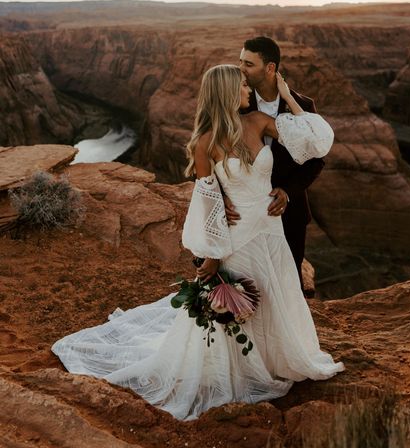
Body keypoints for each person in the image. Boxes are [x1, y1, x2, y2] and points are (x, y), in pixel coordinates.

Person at [51, 65, 344, 421]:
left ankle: (276, 360)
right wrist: (213, 256)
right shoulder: (205, 142)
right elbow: (206, 200)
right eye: (241, 85)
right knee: (243, 303)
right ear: (224, 92)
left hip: (270, 231)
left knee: (274, 293)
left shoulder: (259, 123)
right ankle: (238, 371)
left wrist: (286, 96)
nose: (248, 89)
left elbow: (315, 142)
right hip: (239, 239)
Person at [235, 36, 324, 287]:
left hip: (289, 212)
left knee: (287, 282)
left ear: (270, 68)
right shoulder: (236, 101)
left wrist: (288, 192)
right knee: (248, 283)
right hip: (247, 210)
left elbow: (316, 160)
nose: (241, 69)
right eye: (240, 61)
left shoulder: (302, 106)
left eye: (249, 64)